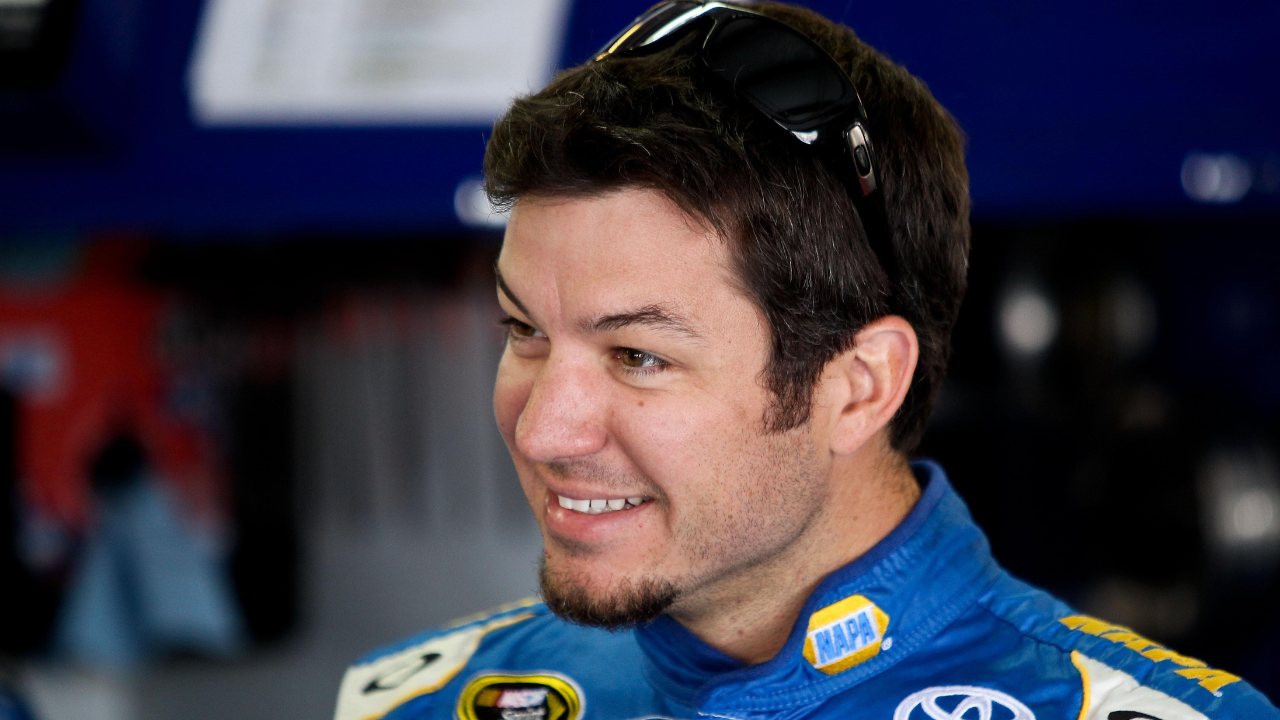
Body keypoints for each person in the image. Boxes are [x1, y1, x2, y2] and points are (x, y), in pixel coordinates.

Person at [334, 2, 1279, 719]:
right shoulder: (410, 700)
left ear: (858, 386)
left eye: (637, 356)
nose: (542, 429)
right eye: (523, 332)